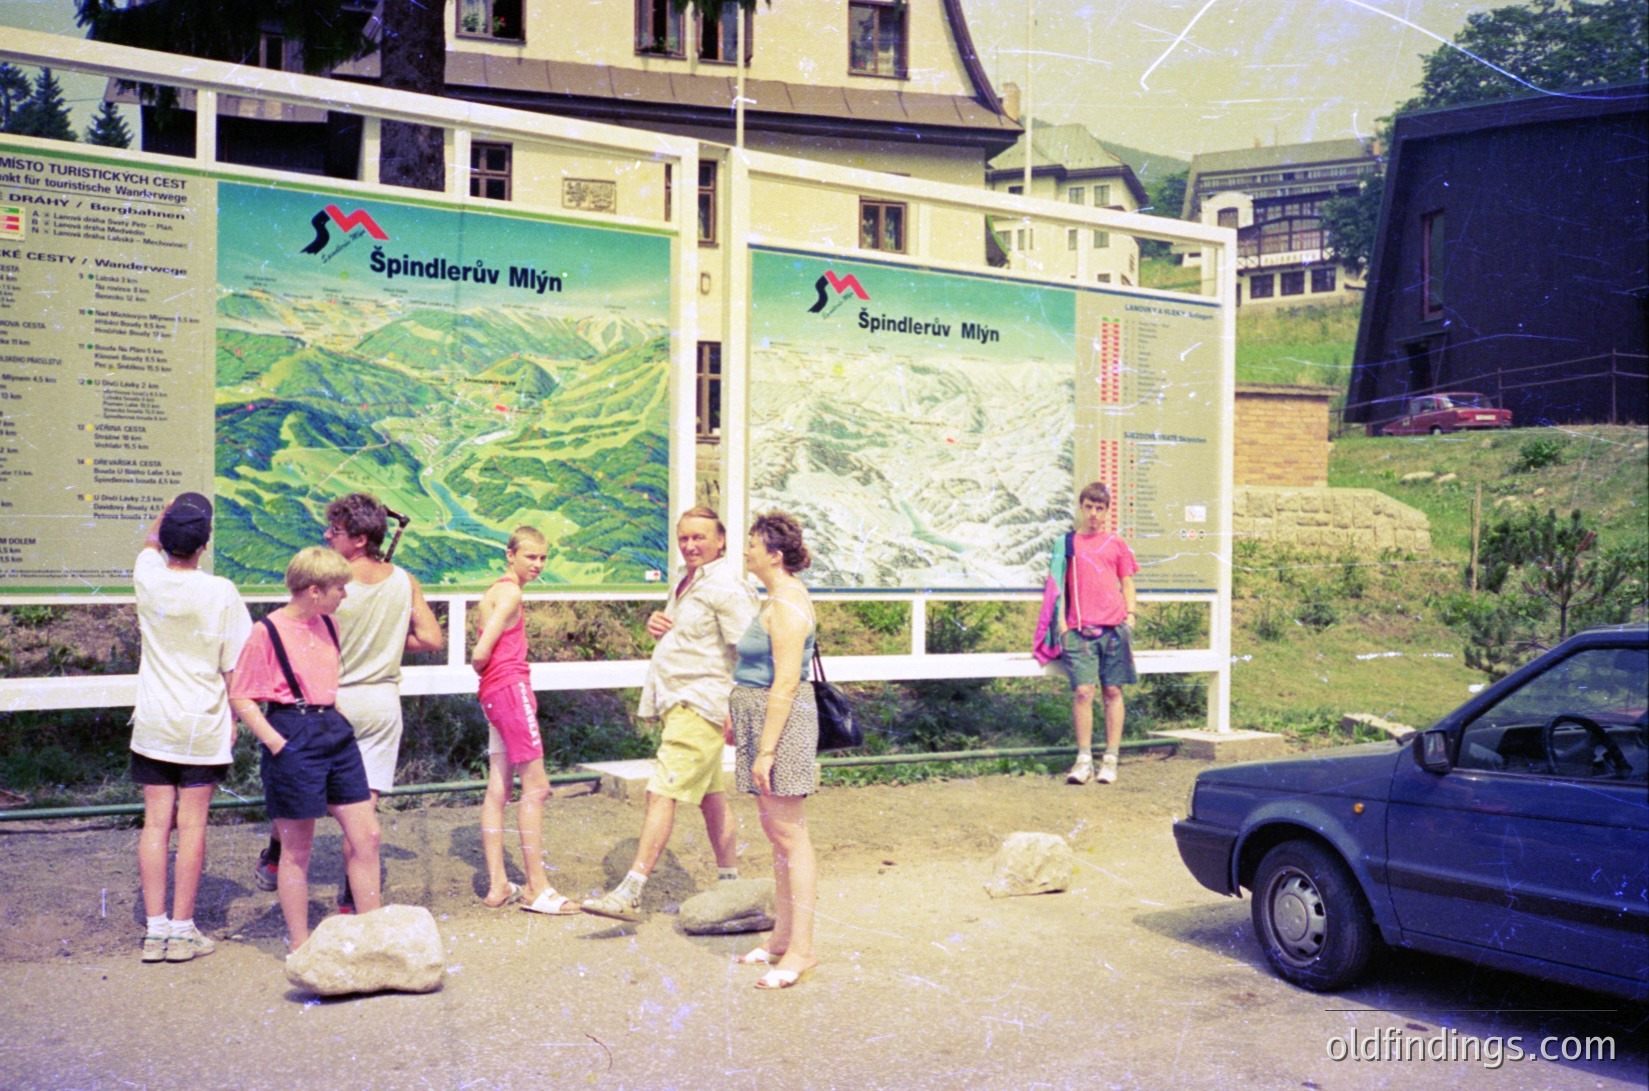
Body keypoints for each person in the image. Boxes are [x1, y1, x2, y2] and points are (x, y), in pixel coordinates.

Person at [252, 494, 443, 909]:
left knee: (297, 796)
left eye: (335, 531)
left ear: (358, 539)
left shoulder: (329, 588)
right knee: (361, 818)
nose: (327, 535)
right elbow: (431, 638)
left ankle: (274, 858)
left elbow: (295, 635)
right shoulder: (404, 580)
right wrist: (389, 644)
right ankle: (352, 903)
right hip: (382, 704)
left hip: (330, 704)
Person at [582, 507, 758, 922]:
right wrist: (659, 625)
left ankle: (631, 891)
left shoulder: (727, 587)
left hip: (701, 704)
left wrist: (738, 705)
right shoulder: (688, 581)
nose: (691, 545)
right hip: (680, 702)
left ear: (721, 542)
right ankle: (730, 884)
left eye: (699, 537)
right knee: (712, 797)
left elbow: (747, 651)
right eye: (684, 538)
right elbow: (692, 635)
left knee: (660, 791)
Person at [229, 547, 383, 951]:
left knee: (367, 834)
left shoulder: (328, 624)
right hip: (291, 731)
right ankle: (301, 945)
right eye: (339, 588)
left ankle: (373, 935)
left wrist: (336, 720)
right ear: (314, 591)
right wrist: (278, 743)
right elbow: (241, 696)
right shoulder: (267, 631)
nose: (344, 596)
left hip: (333, 729)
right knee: (297, 849)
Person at [130, 493, 253, 963]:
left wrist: (162, 511)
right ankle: (182, 930)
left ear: (166, 540)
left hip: (154, 722)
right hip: (203, 721)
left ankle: (154, 930)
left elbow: (147, 543)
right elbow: (233, 667)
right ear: (206, 542)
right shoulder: (221, 591)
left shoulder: (149, 579)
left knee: (155, 824)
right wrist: (237, 717)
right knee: (193, 824)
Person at [728, 511, 820, 989]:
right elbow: (756, 669)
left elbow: (785, 681)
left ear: (774, 555)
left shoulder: (787, 603)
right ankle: (783, 939)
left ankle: (802, 949)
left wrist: (765, 750)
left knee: (790, 834)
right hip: (760, 719)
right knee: (776, 831)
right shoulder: (774, 598)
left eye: (752, 545)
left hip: (781, 725)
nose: (746, 551)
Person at [473, 526, 577, 915]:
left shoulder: (494, 591)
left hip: (495, 695)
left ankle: (499, 884)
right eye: (530, 556)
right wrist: (498, 671)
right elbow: (480, 653)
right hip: (510, 691)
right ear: (510, 555)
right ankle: (537, 887)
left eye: (543, 557)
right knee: (537, 788)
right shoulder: (511, 593)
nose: (537, 564)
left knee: (498, 787)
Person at [1035, 482, 1139, 786]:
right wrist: (1064, 626)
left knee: (1113, 692)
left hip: (1115, 630)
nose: (1094, 513)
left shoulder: (1116, 544)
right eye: (1089, 507)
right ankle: (1083, 761)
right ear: (1081, 508)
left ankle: (1110, 759)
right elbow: (1057, 587)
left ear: (1106, 511)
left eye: (1100, 508)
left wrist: (1130, 616)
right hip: (1079, 631)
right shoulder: (1066, 544)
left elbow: (1127, 581)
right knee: (1083, 692)